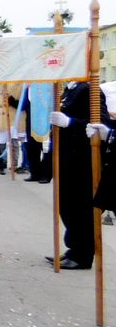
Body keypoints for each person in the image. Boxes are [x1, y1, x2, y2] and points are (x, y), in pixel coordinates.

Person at [47, 82, 114, 269]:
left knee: (81, 209)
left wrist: (70, 123)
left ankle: (82, 255)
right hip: (67, 157)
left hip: (82, 160)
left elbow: (100, 123)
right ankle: (74, 248)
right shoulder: (69, 89)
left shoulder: (88, 89)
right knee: (67, 207)